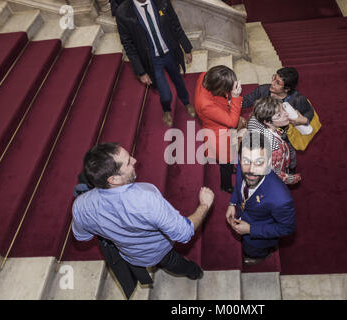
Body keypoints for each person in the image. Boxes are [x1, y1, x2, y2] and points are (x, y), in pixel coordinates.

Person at [72, 142, 214, 286]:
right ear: (114, 179)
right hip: (159, 251)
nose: (134, 160)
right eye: (128, 162)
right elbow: (184, 232)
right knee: (175, 263)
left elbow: (82, 236)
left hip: (131, 256)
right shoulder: (146, 199)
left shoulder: (80, 206)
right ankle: (195, 273)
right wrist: (204, 205)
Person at [115, 0, 196, 126]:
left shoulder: (162, 1)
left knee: (179, 81)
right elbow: (128, 45)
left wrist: (186, 47)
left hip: (170, 52)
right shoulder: (123, 13)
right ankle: (166, 109)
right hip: (151, 60)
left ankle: (186, 102)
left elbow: (175, 24)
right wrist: (140, 72)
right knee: (165, 93)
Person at [226, 131, 296, 266]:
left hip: (259, 238)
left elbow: (287, 228)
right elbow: (239, 185)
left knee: (253, 250)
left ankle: (260, 256)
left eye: (259, 162)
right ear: (240, 158)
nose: (251, 170)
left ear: (269, 162)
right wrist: (232, 202)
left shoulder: (281, 199)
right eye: (246, 161)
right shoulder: (242, 167)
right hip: (244, 215)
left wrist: (251, 230)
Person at [243, 67, 313, 174]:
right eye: (274, 77)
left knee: (289, 156)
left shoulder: (297, 99)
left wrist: (304, 120)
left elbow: (309, 111)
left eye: (278, 82)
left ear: (287, 89)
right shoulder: (262, 90)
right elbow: (246, 101)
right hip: (263, 132)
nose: (272, 83)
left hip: (286, 137)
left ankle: (290, 170)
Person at [194, 65, 246, 193]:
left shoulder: (205, 75)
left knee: (226, 160)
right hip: (218, 135)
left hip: (215, 123)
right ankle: (226, 185)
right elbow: (232, 122)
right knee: (226, 162)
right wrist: (235, 97)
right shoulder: (205, 104)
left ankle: (227, 166)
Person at [247, 96, 301, 184]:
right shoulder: (276, 149)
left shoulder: (257, 121)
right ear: (268, 122)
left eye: (283, 109)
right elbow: (275, 174)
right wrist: (292, 179)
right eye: (279, 115)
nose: (286, 114)